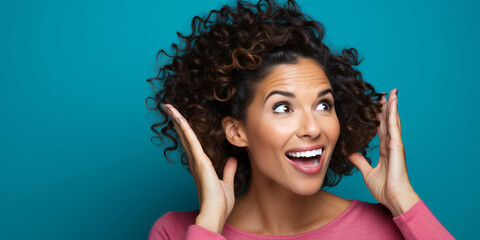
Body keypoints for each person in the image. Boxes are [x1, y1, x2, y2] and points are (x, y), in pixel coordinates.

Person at [146, 0, 454, 239]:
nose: (312, 128)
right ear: (236, 131)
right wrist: (210, 227)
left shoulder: (391, 229)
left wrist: (404, 201)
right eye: (283, 108)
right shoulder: (177, 232)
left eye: (323, 105)